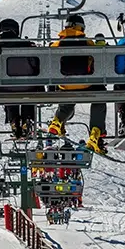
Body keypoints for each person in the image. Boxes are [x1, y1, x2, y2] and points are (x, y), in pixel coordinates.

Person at [46, 14, 108, 154]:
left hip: (64, 86)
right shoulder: (87, 43)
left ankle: (57, 120)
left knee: (67, 101)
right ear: (81, 28)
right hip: (86, 85)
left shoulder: (57, 45)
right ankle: (95, 133)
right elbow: (95, 60)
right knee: (99, 98)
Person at [0, 18, 40, 138]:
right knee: (29, 96)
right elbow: (37, 64)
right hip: (28, 87)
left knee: (9, 95)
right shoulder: (27, 45)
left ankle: (13, 119)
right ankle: (27, 118)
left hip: (6, 87)